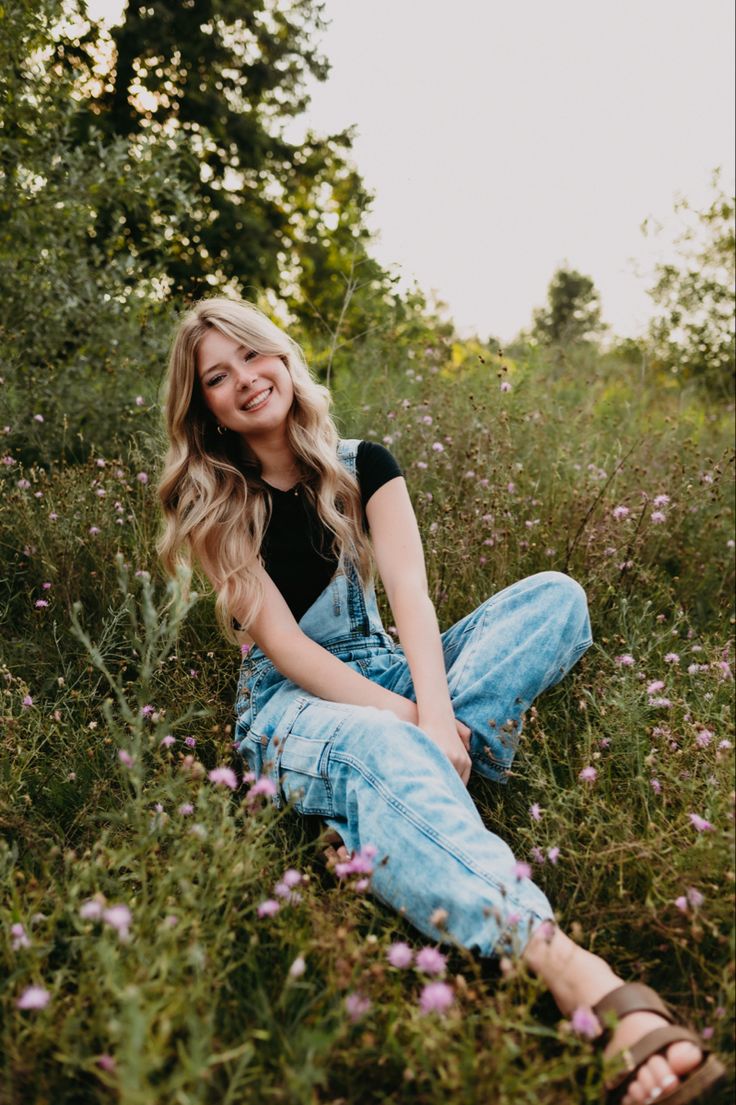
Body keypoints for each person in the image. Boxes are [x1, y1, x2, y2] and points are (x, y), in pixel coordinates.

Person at [158, 296, 724, 1105]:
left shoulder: (365, 465)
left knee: (554, 598)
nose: (245, 380)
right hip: (292, 705)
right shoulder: (210, 499)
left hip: (388, 668)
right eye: (218, 376)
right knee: (385, 745)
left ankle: (429, 781)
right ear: (204, 404)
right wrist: (410, 725)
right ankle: (574, 972)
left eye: (253, 356)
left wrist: (427, 705)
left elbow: (413, 600)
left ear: (282, 358)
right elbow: (285, 648)